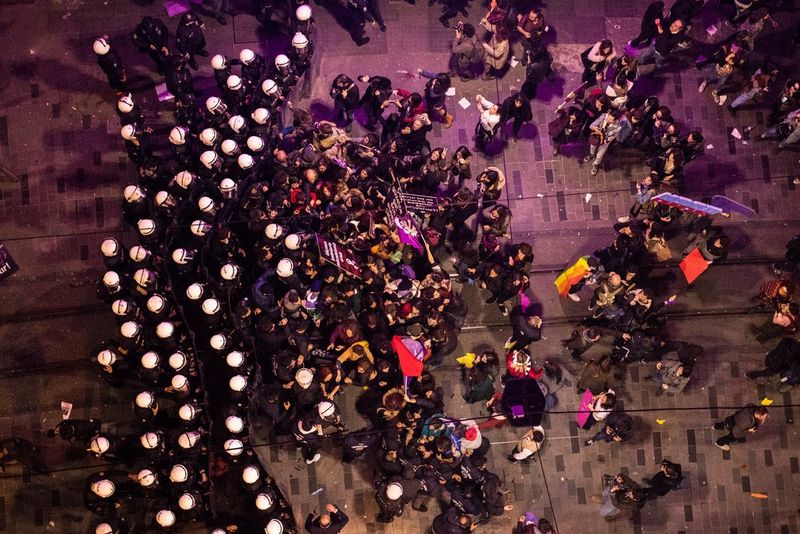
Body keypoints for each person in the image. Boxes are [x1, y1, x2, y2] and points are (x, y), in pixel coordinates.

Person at [583, 110, 622, 176]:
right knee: (592, 146)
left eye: (611, 120)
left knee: (600, 155)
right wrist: (595, 129)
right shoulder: (604, 116)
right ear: (609, 114)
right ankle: (591, 154)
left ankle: (595, 164)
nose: (608, 120)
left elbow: (612, 137)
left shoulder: (618, 127)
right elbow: (591, 125)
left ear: (615, 121)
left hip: (605, 141)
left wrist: (603, 141)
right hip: (596, 136)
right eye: (609, 117)